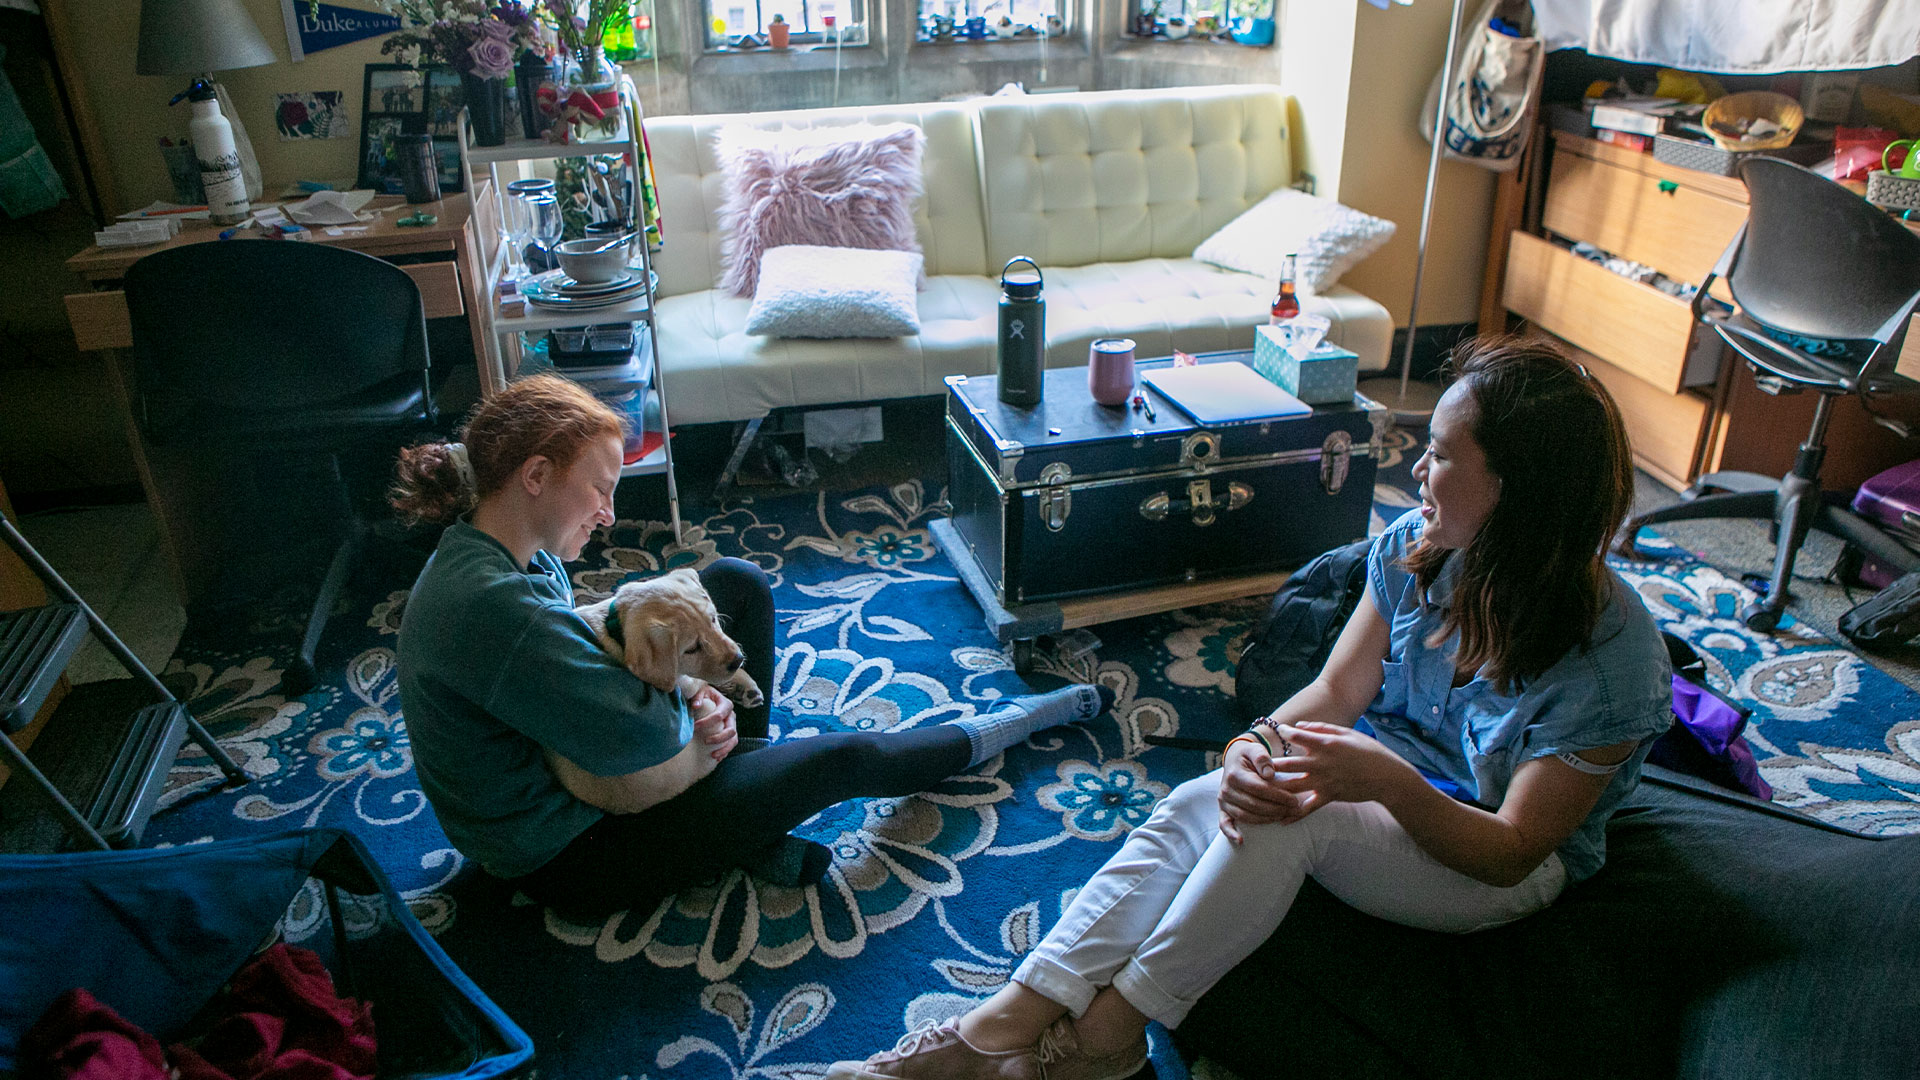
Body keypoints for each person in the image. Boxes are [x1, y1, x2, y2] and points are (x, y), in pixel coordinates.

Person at [826, 337, 1675, 1080]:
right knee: (1201, 799)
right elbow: (1339, 692)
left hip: (1492, 853)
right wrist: (1255, 743)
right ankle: (1000, 1023)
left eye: (1445, 455)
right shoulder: (1422, 548)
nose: (1417, 467)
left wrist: (1382, 781)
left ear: (1517, 496)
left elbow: (1513, 853)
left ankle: (1105, 1037)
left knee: (1287, 818)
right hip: (1398, 781)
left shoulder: (1612, 664)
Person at [389, 373, 1114, 916]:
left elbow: (586, 652)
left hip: (584, 772)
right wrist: (698, 706)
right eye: (600, 489)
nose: (610, 515)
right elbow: (637, 739)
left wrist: (693, 694)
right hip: (569, 853)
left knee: (733, 583)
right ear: (537, 476)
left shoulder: (499, 546)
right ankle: (1046, 712)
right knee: (845, 756)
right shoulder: (496, 610)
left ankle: (748, 802)